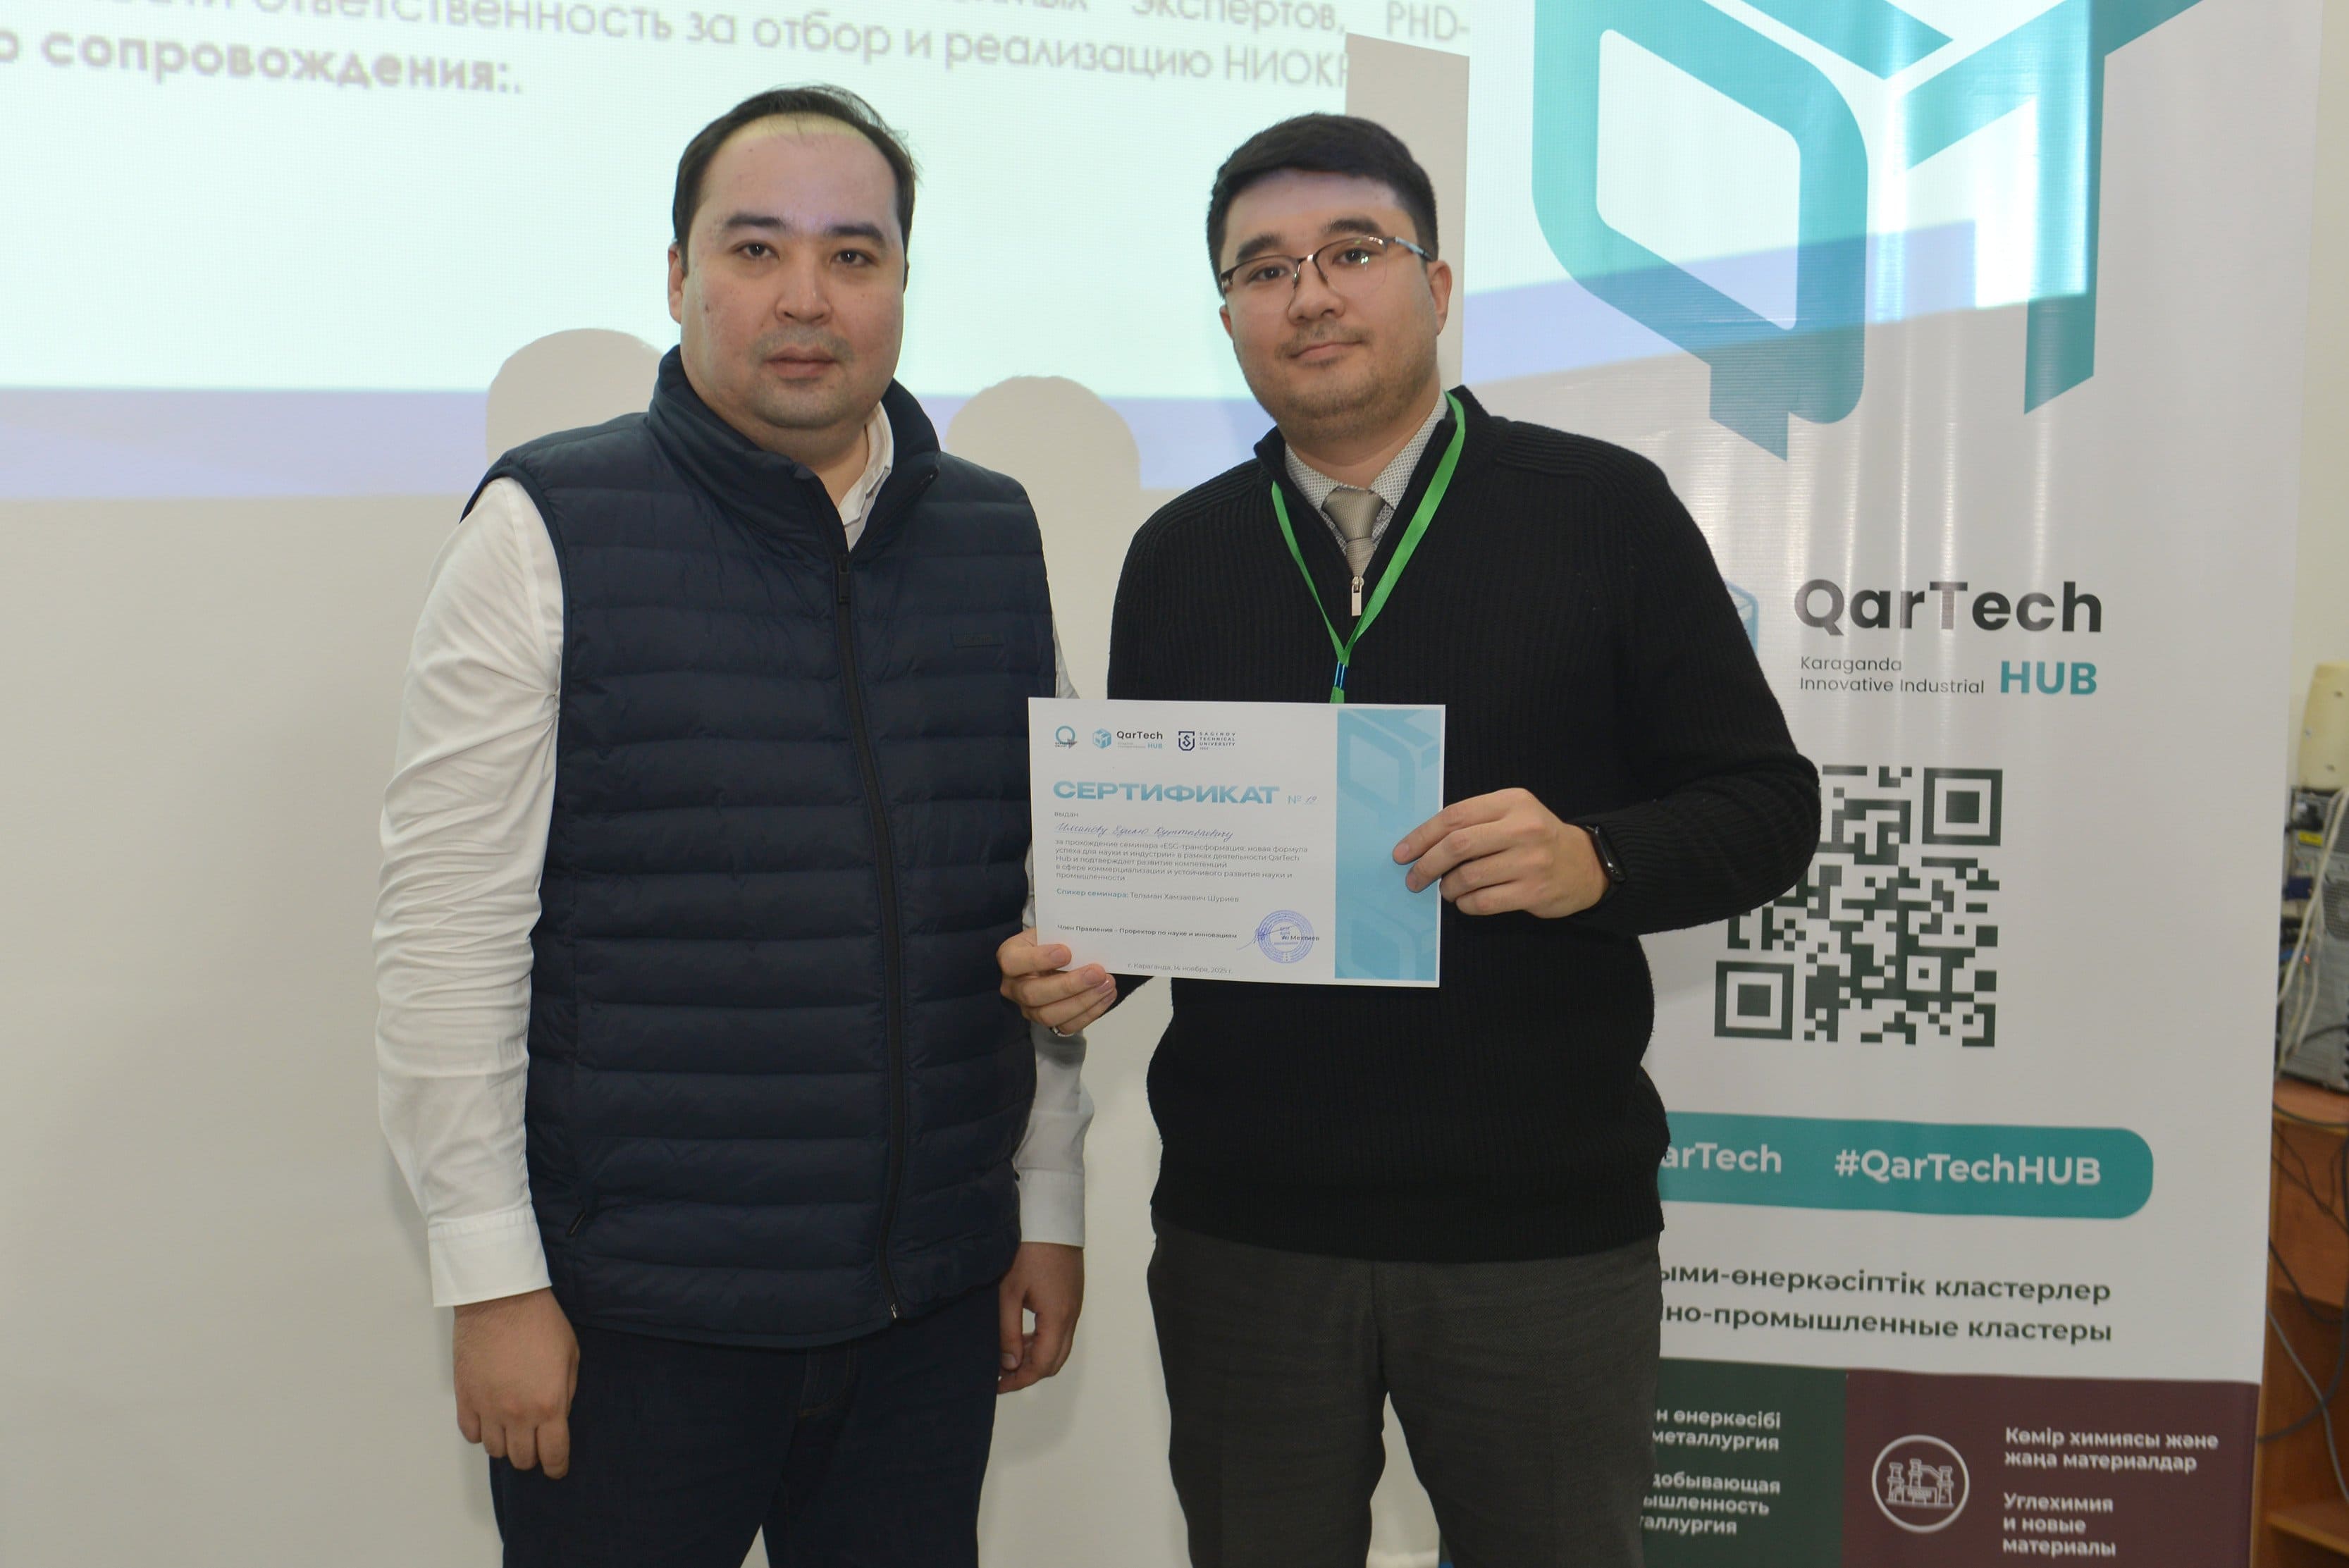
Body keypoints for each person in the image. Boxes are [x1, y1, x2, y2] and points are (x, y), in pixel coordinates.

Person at [998, 113, 1819, 1567]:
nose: (1307, 294)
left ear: (1435, 285)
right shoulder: (1179, 554)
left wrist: (1594, 861)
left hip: (1535, 1234)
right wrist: (1091, 964)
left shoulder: (1602, 512)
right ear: (1229, 317)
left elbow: (1766, 808)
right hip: (1248, 1236)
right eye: (1263, 269)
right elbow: (1179, 861)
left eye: (1351, 252)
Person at [376, 85, 1092, 1567]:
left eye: (853, 254)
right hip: (633, 1321)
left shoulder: (994, 533)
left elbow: (1042, 900)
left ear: (902, 281)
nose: (805, 297)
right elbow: (448, 930)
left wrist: (1047, 1198)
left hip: (925, 1309)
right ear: (678, 275)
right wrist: (491, 1278)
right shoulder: (544, 523)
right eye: (755, 249)